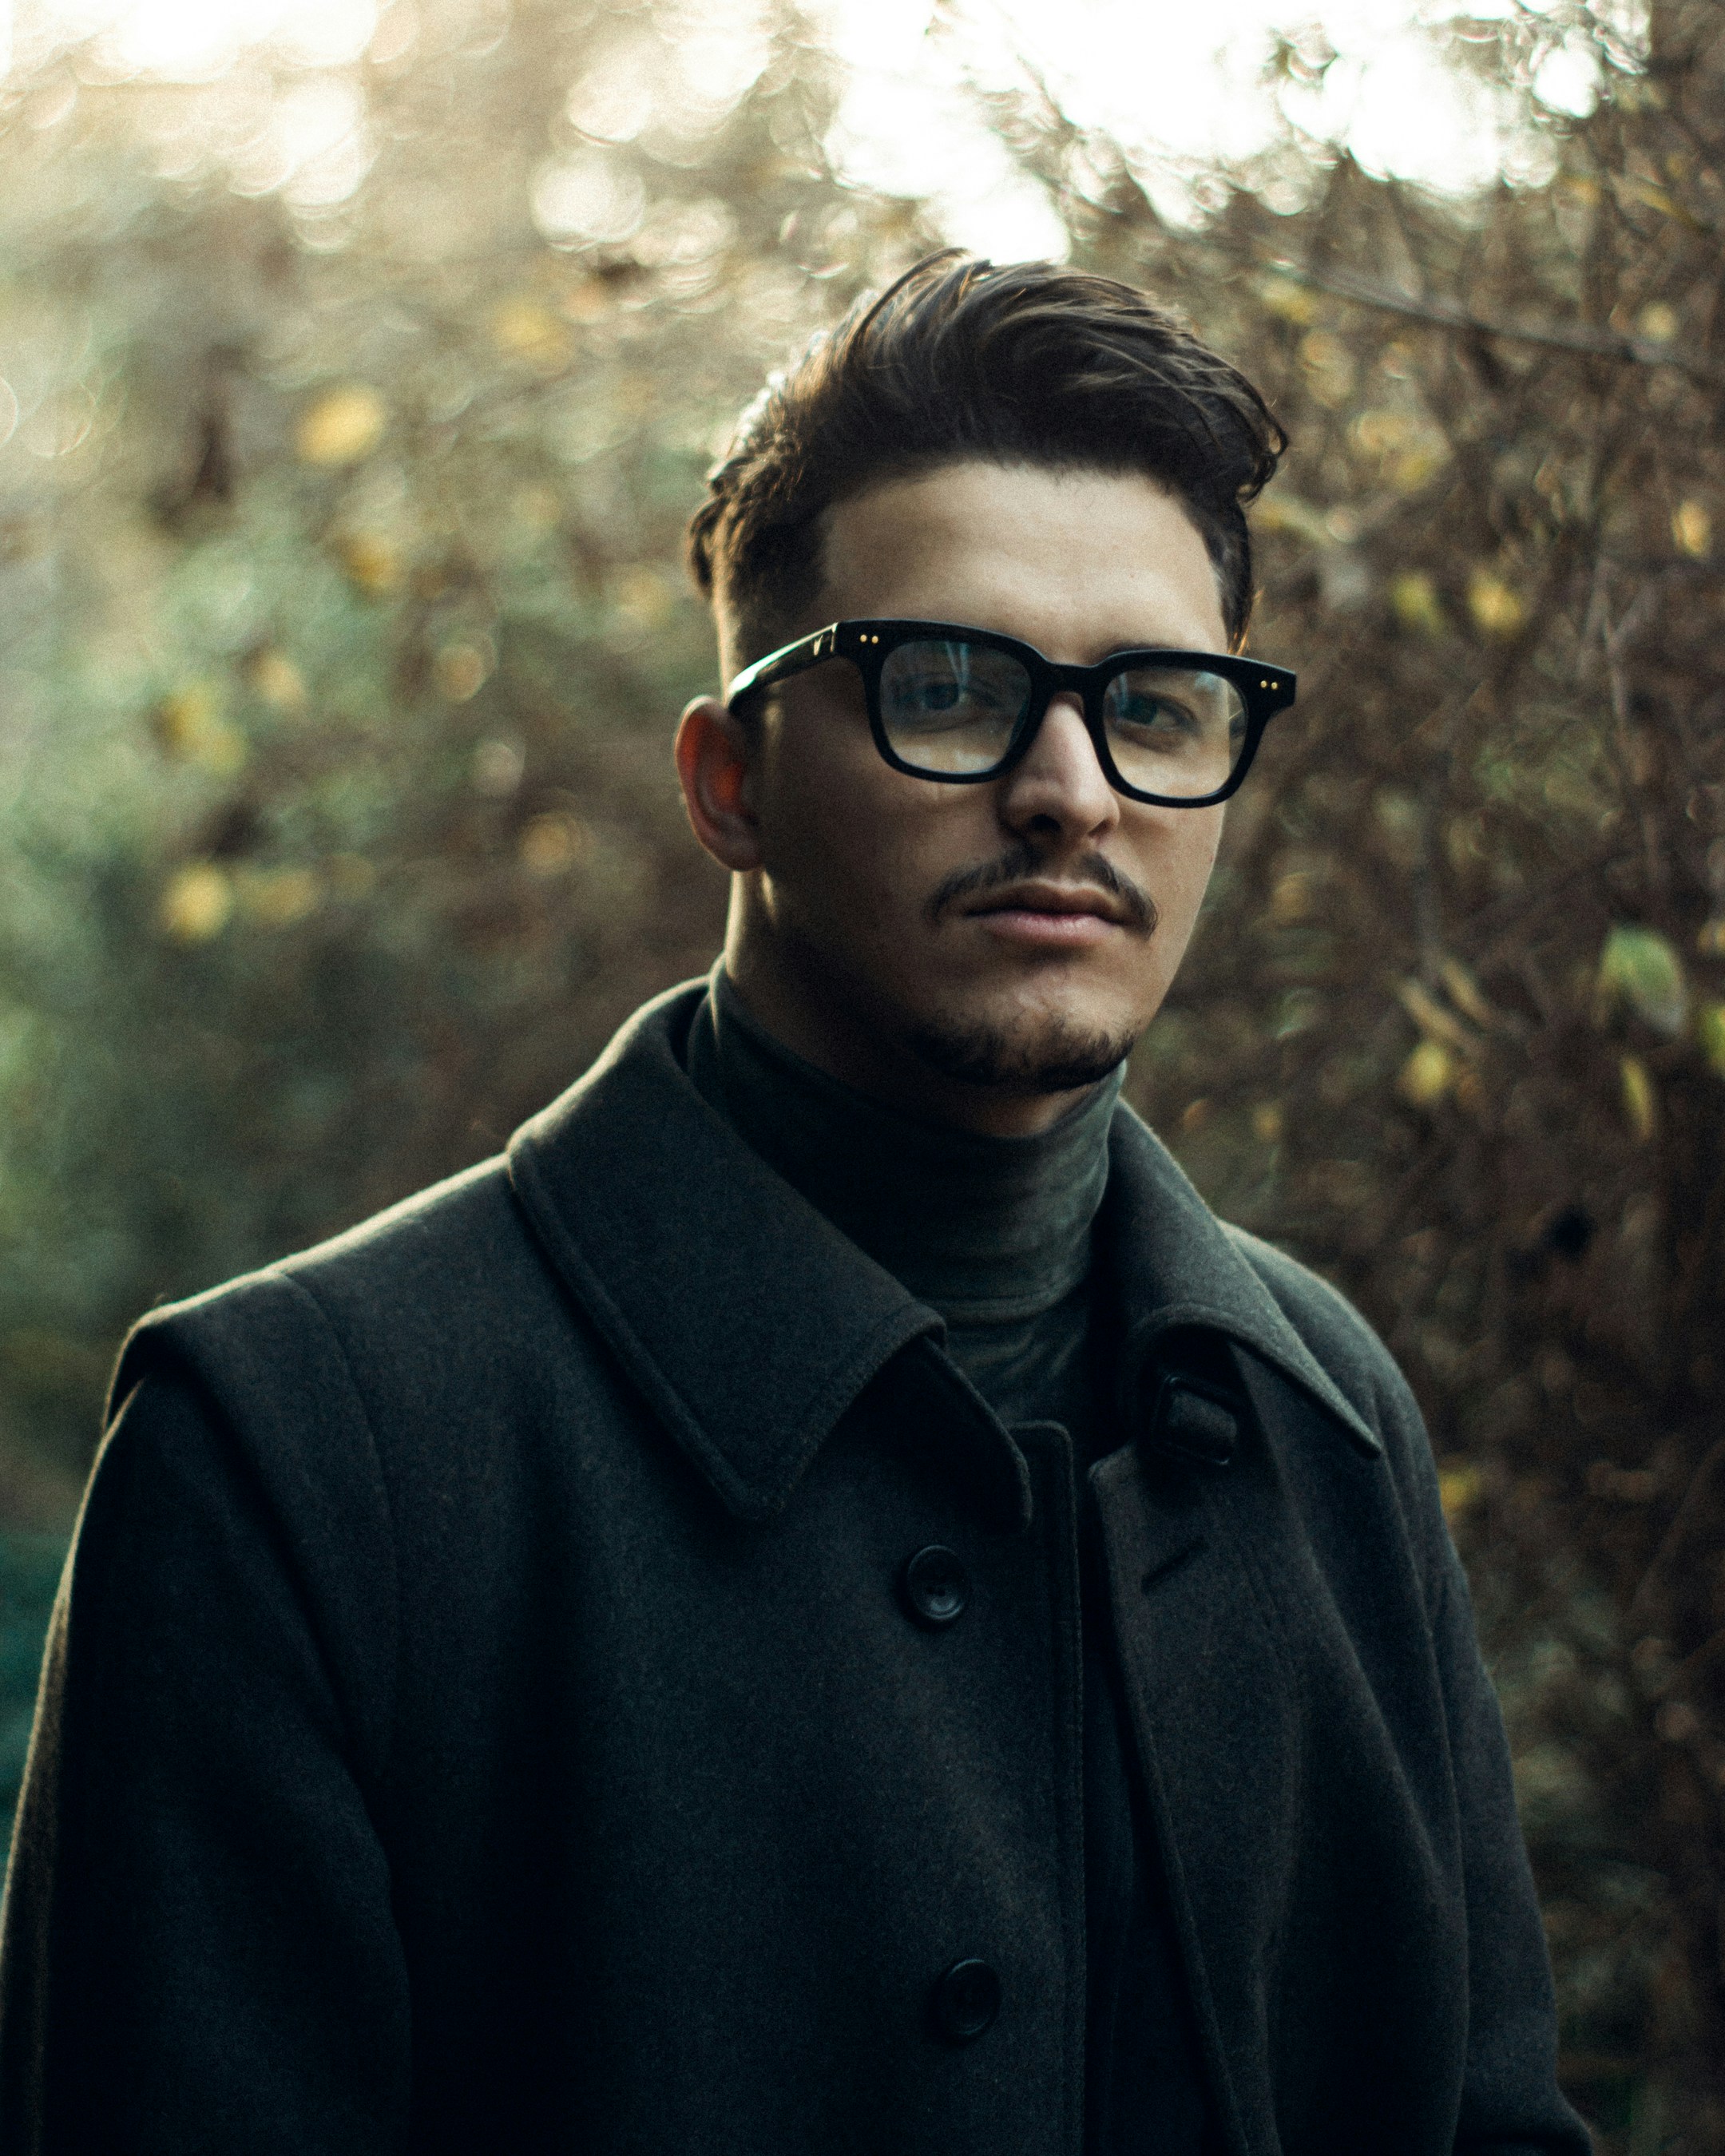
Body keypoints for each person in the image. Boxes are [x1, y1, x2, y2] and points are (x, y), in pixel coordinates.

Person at [0, 253, 1589, 2155]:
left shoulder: (1320, 1416)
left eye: (1158, 706)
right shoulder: (293, 1456)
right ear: (728, 781)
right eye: (947, 687)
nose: (1071, 788)